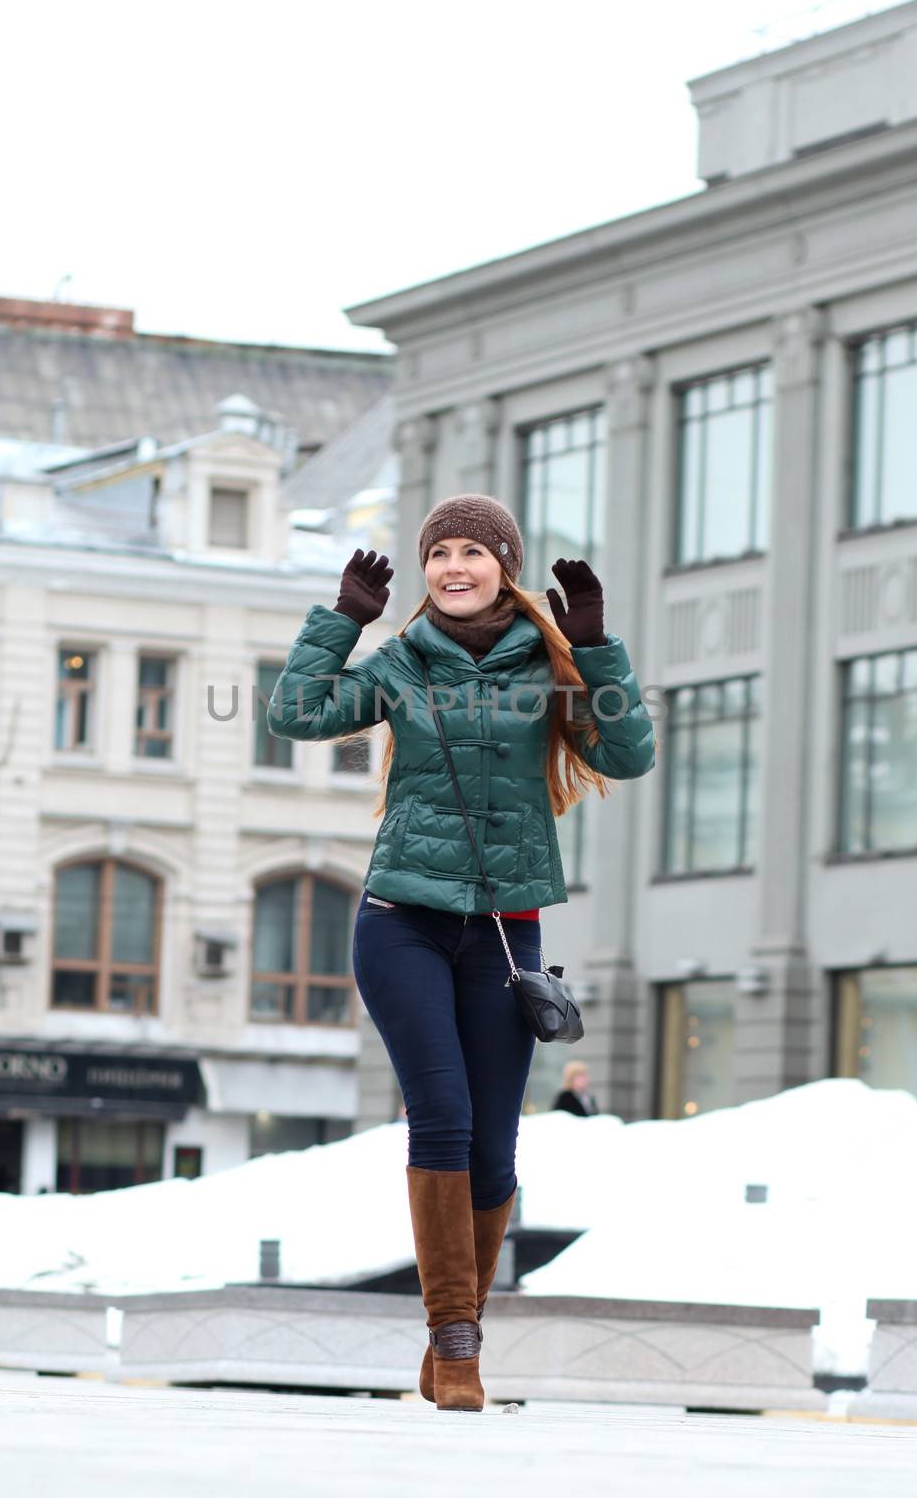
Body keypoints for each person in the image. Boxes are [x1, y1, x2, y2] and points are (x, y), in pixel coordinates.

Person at [267, 493, 655, 1411]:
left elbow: (629, 754)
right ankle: (457, 1339)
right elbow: (294, 714)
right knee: (439, 1113)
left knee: (495, 1146)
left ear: (503, 566)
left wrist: (596, 646)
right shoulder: (398, 662)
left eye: (473, 550)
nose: (453, 565)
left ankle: (453, 1343)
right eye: (439, 550)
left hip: (505, 931)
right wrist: (342, 622)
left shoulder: (553, 666)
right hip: (400, 917)